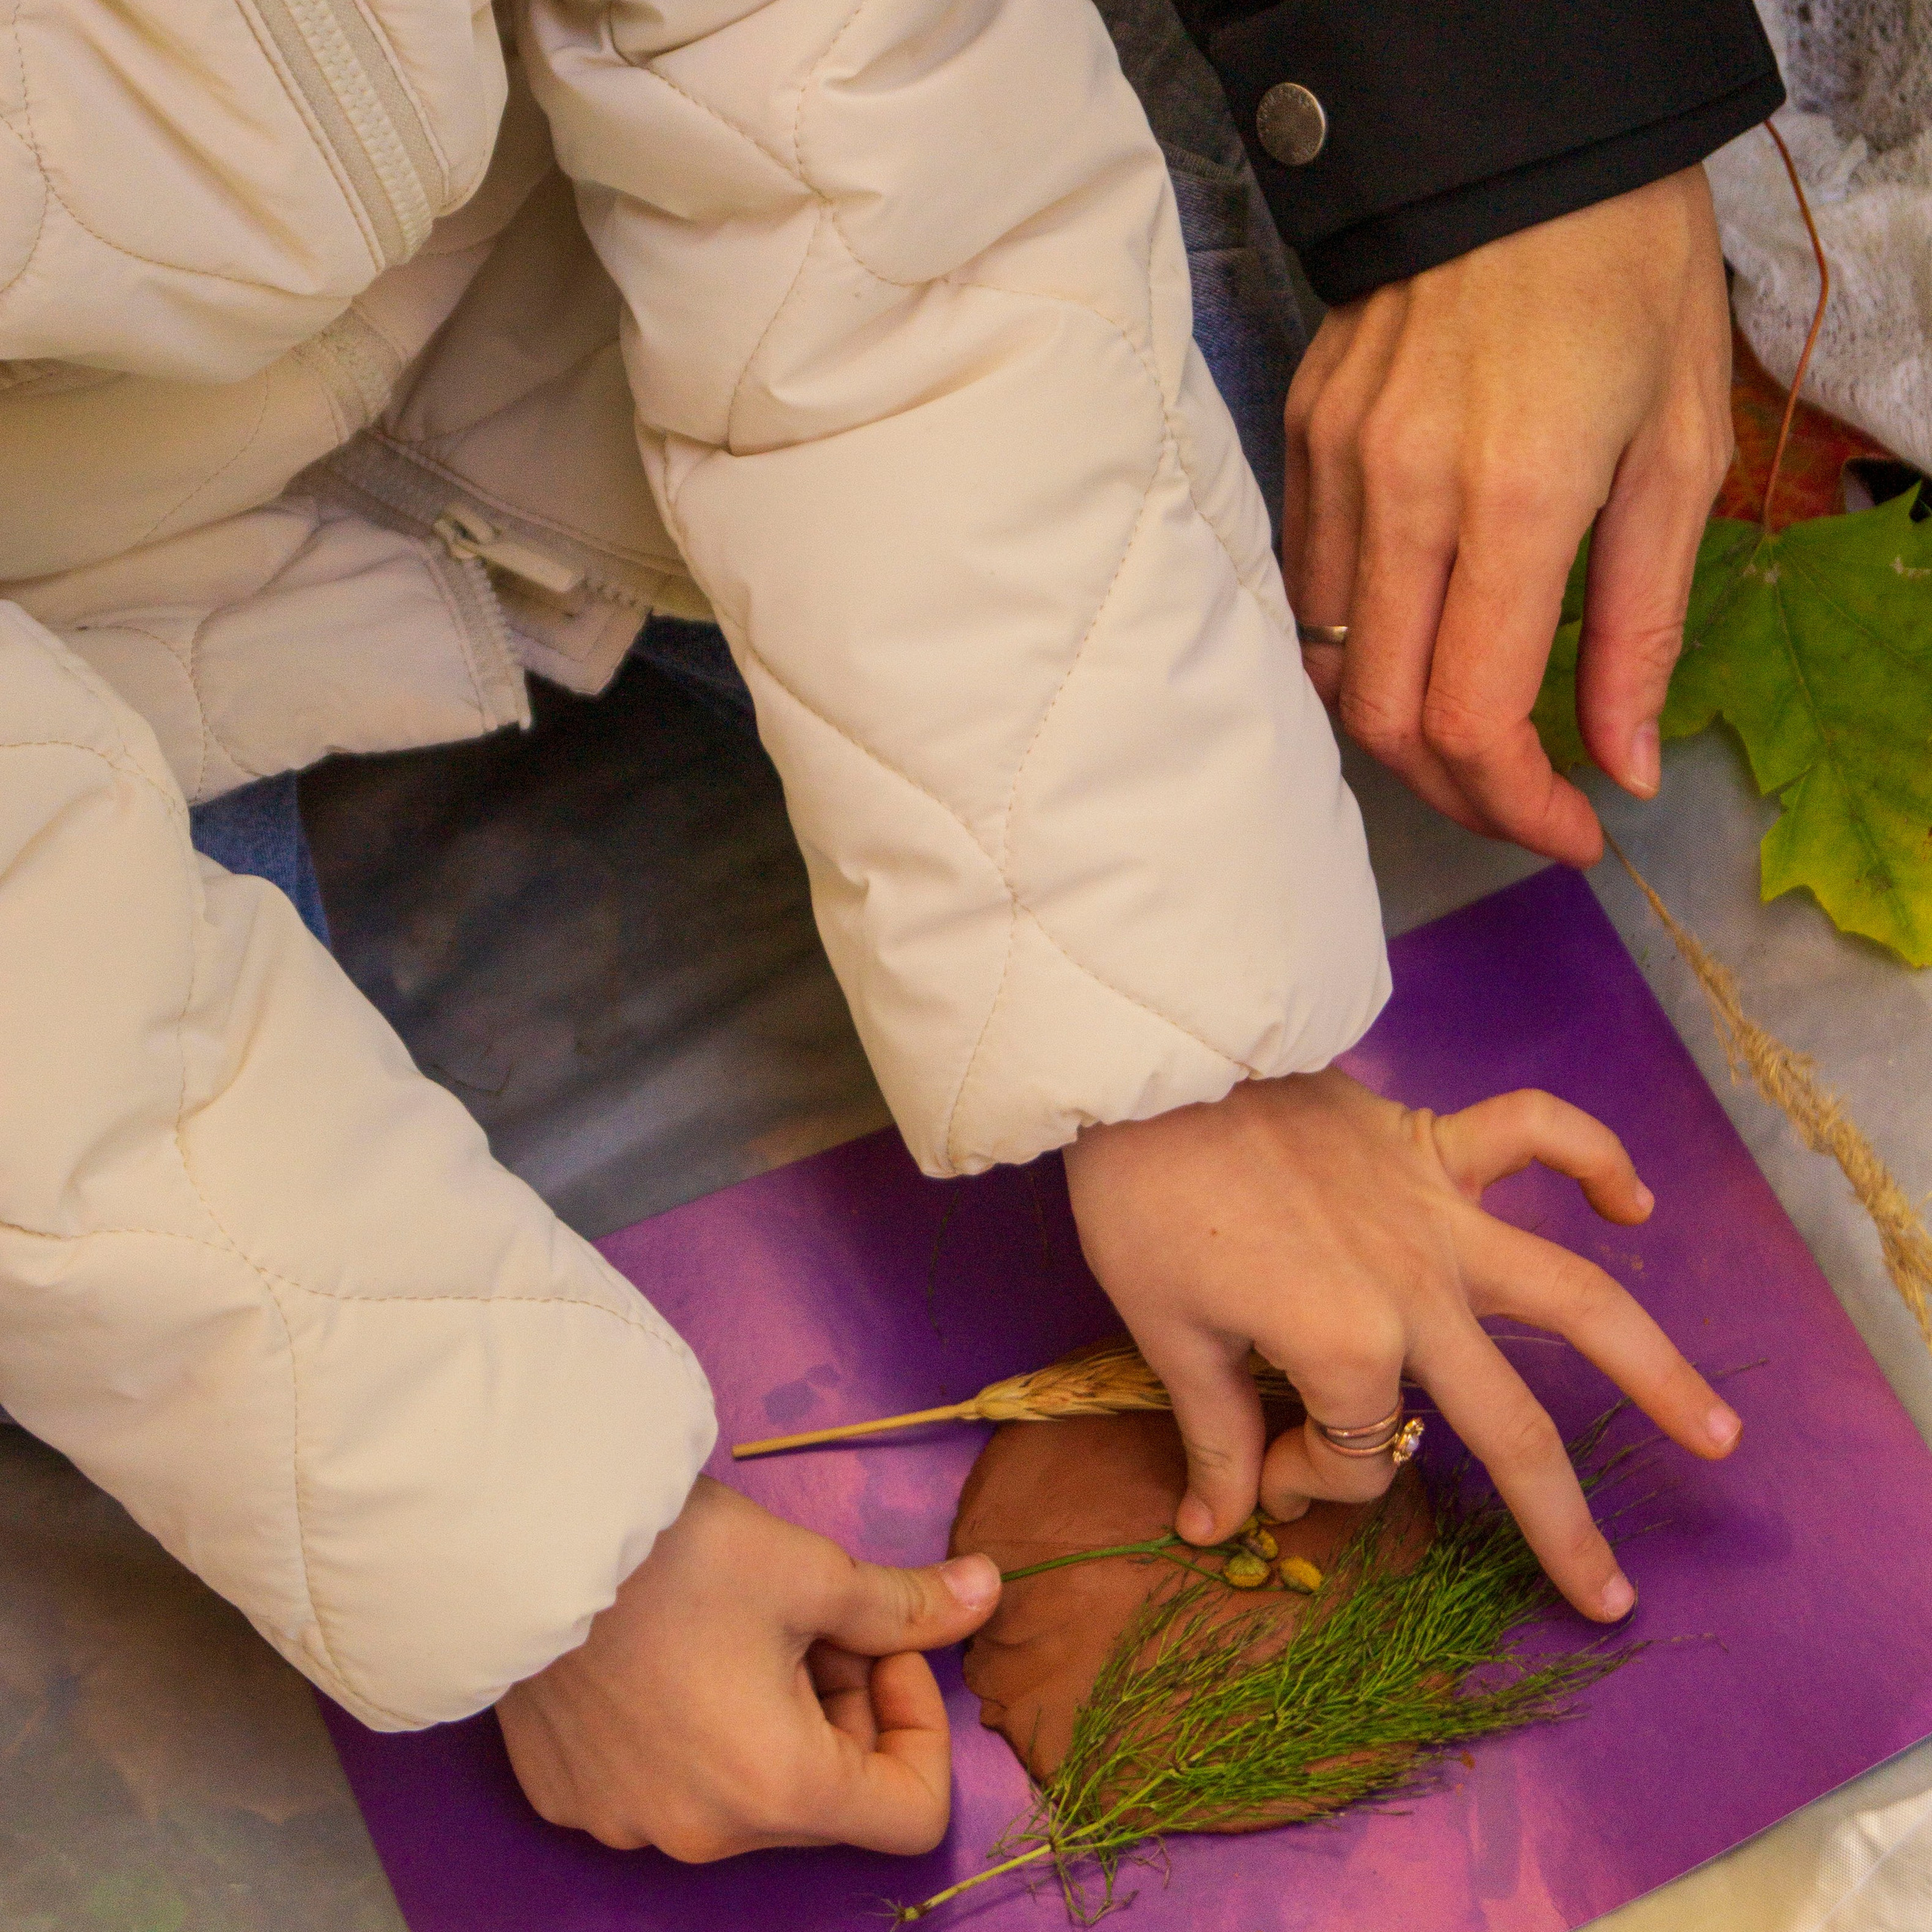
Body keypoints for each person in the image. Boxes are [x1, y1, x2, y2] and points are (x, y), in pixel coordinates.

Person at [0, 0, 1777, 1868]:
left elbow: (862, 123)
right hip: (86, 613)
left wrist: (1175, 1042)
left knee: (1326, 486)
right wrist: (528, 1551)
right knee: (165, 1397)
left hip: (564, 288)